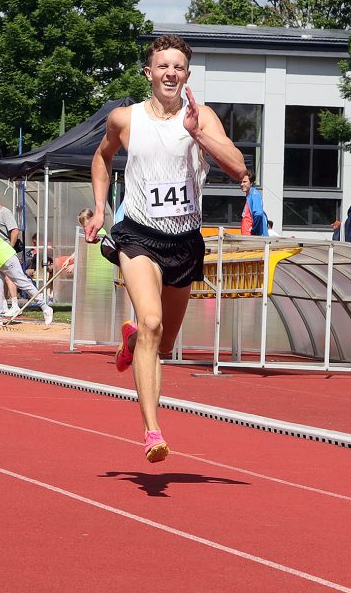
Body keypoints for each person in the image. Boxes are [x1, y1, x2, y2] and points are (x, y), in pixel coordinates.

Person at [84, 34, 246, 465]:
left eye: (178, 67)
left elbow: (237, 167)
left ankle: (134, 339)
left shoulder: (201, 116)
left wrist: (198, 134)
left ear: (187, 75)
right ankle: (152, 430)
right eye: (163, 66)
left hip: (184, 242)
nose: (170, 73)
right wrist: (100, 209)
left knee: (163, 344)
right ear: (149, 73)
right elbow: (101, 158)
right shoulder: (125, 119)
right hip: (138, 235)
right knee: (152, 321)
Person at [239, 171, 268, 236]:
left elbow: (259, 214)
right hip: (247, 236)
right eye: (240, 182)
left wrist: (253, 230)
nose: (241, 184)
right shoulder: (250, 196)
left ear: (251, 183)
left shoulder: (254, 194)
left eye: (244, 182)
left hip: (251, 238)